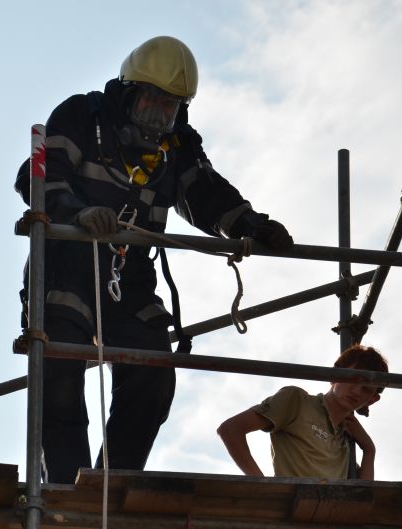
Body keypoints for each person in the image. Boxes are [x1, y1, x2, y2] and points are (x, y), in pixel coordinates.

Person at [15, 36, 294, 484]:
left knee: (154, 375)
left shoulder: (177, 146)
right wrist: (78, 213)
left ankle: (112, 485)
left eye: (171, 104)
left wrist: (251, 224)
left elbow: (205, 193)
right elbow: (36, 178)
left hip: (129, 280)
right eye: (152, 97)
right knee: (60, 373)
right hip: (66, 270)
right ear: (129, 91)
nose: (159, 111)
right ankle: (68, 488)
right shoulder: (82, 116)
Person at [217, 344, 388, 480]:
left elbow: (363, 496)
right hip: (291, 509)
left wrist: (369, 450)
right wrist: (262, 485)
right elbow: (230, 429)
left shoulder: (348, 440)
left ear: (372, 400)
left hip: (328, 512)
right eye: (353, 379)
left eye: (366, 389)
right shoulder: (296, 400)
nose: (357, 391)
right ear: (334, 375)